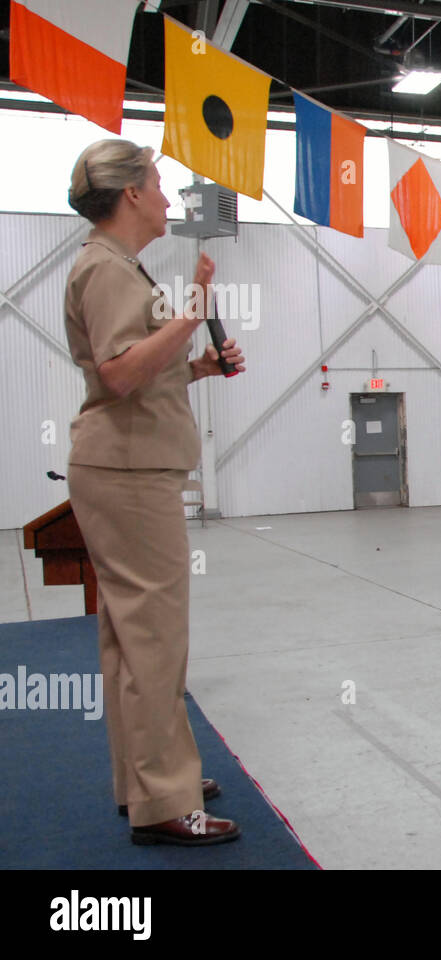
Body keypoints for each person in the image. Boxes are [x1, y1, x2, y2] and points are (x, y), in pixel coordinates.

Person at [63, 140, 245, 846]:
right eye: (160, 185)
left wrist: (195, 365)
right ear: (131, 194)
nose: (169, 198)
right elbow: (116, 376)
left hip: (123, 466)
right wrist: (189, 315)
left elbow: (139, 374)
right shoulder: (107, 270)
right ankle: (165, 799)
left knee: (131, 638)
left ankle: (147, 779)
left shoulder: (115, 267)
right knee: (156, 639)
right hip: (129, 474)